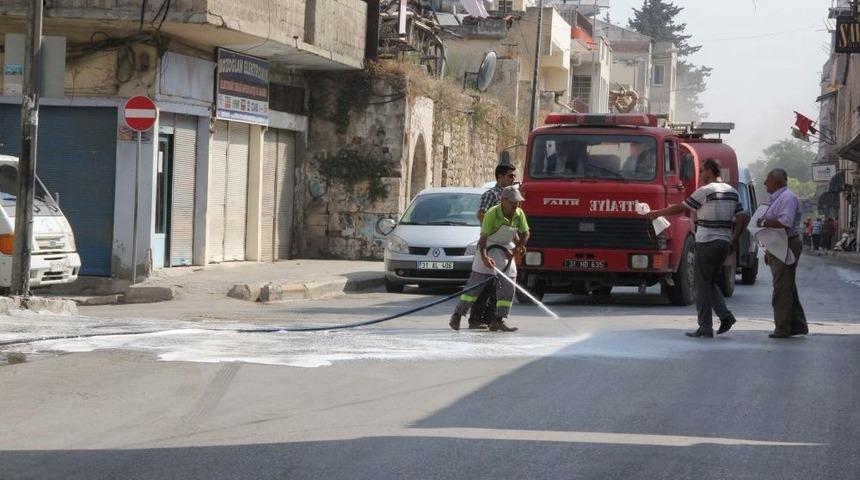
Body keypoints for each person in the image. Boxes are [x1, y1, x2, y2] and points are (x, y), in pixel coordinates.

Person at [646, 158, 750, 338]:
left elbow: (681, 207)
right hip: (724, 242)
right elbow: (743, 217)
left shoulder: (705, 191)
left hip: (706, 242)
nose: (701, 175)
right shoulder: (733, 192)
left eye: (702, 171)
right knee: (709, 282)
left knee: (701, 286)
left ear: (709, 171)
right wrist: (733, 239)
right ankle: (725, 316)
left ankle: (705, 327)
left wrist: (657, 213)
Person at [450, 186, 530, 333]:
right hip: (488, 246)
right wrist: (485, 258)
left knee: (509, 281)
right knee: (476, 283)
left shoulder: (519, 214)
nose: (516, 205)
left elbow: (525, 234)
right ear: (504, 201)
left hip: (506, 247)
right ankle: (457, 315)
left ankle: (498, 320)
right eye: (513, 202)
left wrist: (517, 247)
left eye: (517, 202)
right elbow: (483, 240)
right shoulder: (492, 214)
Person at [755, 168, 808, 338]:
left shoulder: (787, 198)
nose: (765, 183)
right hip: (778, 244)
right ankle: (798, 325)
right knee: (787, 285)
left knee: (782, 288)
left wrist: (763, 221)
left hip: (787, 244)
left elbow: (785, 222)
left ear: (777, 182)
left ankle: (783, 328)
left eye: (767, 180)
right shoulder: (776, 198)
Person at [467, 163, 518, 330]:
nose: (513, 179)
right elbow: (481, 215)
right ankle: (475, 319)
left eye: (513, 176)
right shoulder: (492, 194)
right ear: (500, 177)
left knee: (501, 284)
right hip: (490, 246)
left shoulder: (511, 197)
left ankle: (495, 320)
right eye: (510, 176)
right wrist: (492, 235)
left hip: (503, 247)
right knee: (486, 284)